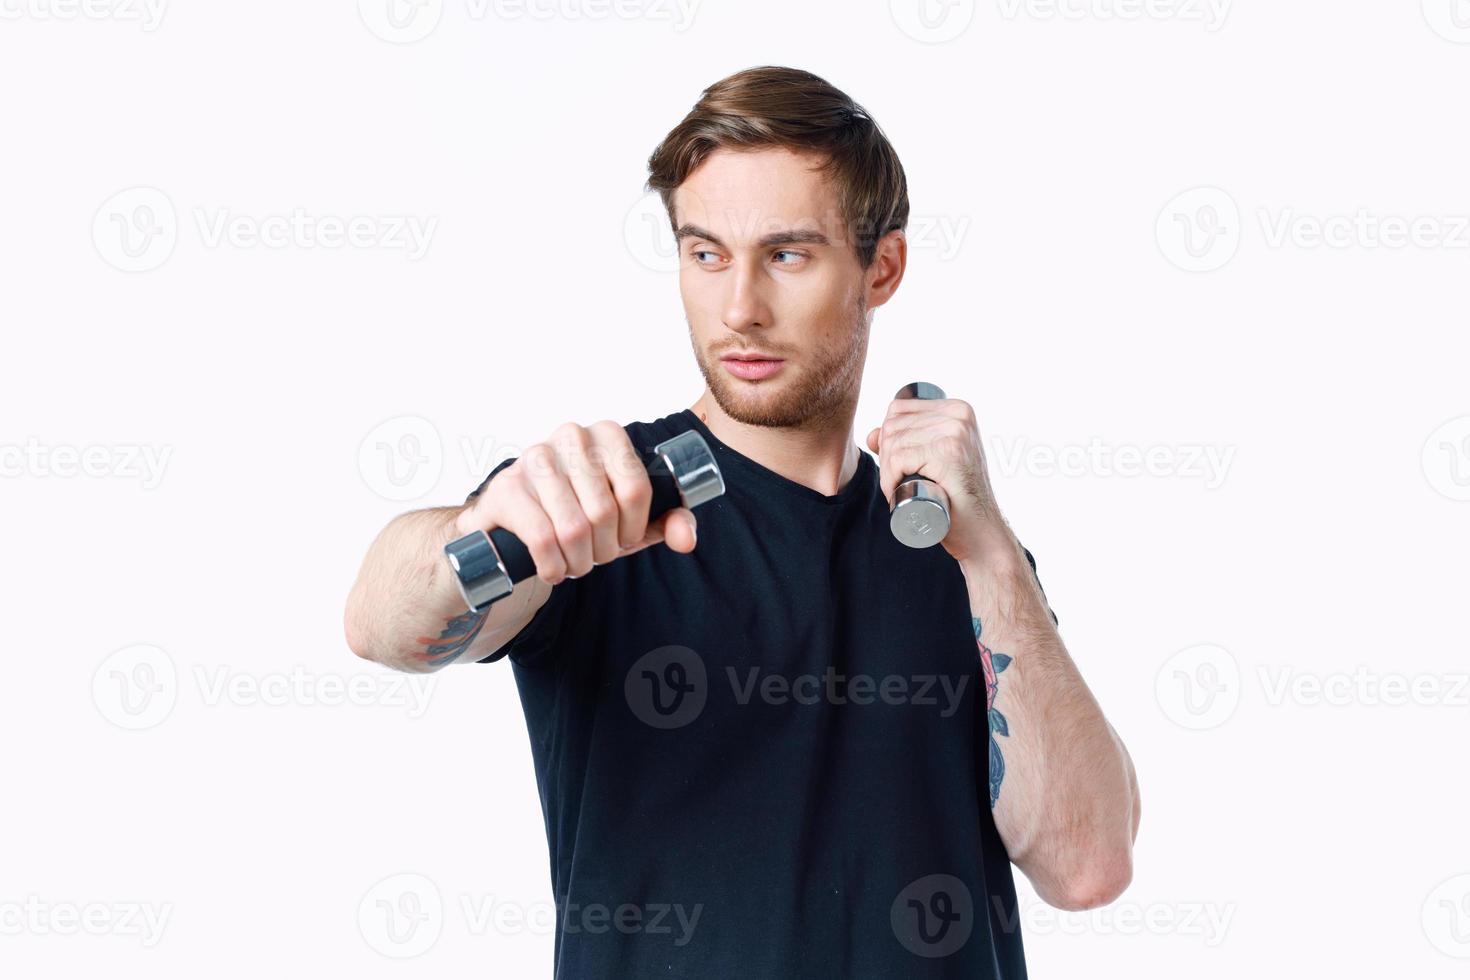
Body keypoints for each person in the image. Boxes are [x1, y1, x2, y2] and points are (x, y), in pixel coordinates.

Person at [345, 65, 1140, 979]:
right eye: (706, 253)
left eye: (788, 255)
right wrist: (483, 529)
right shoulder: (600, 508)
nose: (739, 309)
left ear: (882, 267)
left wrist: (994, 554)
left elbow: (1088, 867)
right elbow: (382, 627)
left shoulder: (958, 555)